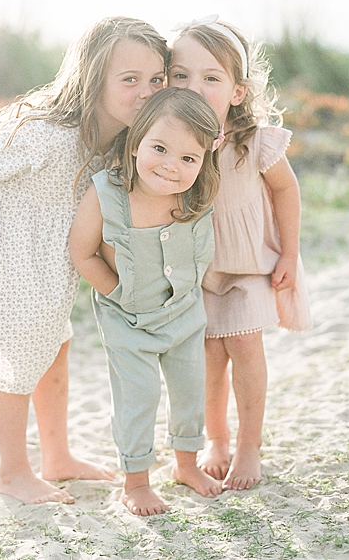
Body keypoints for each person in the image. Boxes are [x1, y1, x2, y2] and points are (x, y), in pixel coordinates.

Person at [0, 17, 168, 504]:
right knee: (20, 360)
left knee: (55, 350)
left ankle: (57, 456)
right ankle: (12, 471)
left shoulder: (115, 140)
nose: (145, 91)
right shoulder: (48, 133)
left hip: (47, 267)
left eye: (157, 80)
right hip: (6, 258)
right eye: (129, 79)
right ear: (93, 78)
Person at [168, 16, 311, 490]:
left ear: (237, 91)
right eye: (181, 75)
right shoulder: (173, 140)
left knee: (245, 347)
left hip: (251, 265)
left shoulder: (255, 141)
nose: (194, 86)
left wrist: (289, 254)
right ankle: (217, 439)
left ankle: (249, 447)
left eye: (212, 77)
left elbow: (287, 192)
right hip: (201, 271)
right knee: (209, 357)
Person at [69, 88, 224, 516]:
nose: (172, 166)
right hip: (128, 322)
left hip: (184, 316)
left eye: (188, 158)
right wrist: (115, 292)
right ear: (136, 143)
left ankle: (187, 464)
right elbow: (82, 252)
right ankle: (135, 482)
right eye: (160, 148)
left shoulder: (194, 196)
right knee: (139, 396)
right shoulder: (107, 194)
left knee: (191, 390)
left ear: (203, 161)